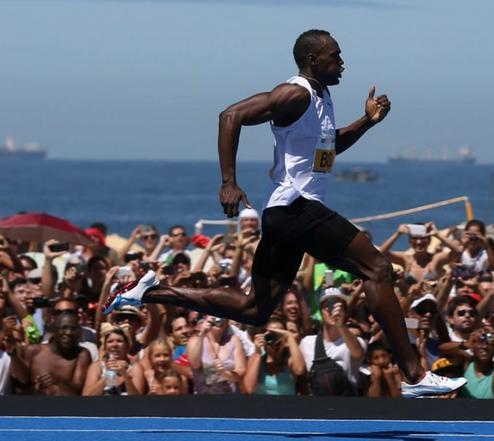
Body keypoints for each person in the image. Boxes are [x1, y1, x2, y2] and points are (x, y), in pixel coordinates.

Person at [103, 29, 465, 398]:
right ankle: (414, 374)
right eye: (335, 57)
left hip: (287, 214)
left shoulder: (321, 97)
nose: (342, 63)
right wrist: (228, 182)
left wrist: (367, 121)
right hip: (296, 207)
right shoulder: (294, 93)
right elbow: (230, 115)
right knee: (378, 268)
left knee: (255, 309)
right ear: (312, 60)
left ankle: (149, 291)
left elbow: (330, 146)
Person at [8, 311, 91, 395]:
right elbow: (19, 386)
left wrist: (58, 381)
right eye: (63, 328)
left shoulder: (82, 354)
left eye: (73, 329)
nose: (68, 333)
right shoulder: (33, 351)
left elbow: (78, 391)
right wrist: (36, 389)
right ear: (54, 330)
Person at [82, 326, 143, 396]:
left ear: (127, 346)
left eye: (119, 341)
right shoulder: (97, 367)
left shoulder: (134, 368)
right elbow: (87, 397)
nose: (114, 345)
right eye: (110, 341)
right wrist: (109, 374)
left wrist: (125, 375)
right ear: (105, 346)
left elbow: (137, 401)